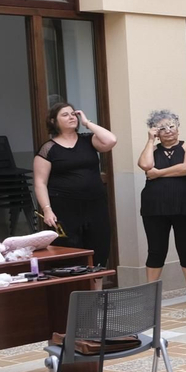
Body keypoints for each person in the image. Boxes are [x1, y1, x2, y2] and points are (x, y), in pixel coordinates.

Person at [33, 100, 116, 267]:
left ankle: (95, 292)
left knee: (99, 249)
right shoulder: (48, 149)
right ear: (53, 121)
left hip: (95, 206)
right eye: (65, 115)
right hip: (64, 208)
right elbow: (40, 183)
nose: (71, 117)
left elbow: (111, 140)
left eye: (73, 114)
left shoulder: (88, 141)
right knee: (70, 252)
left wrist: (87, 123)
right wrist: (47, 210)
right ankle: (73, 292)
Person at [138, 109, 186, 304]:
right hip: (155, 207)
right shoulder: (153, 149)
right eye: (161, 128)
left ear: (178, 128)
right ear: (155, 131)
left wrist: (158, 174)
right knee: (156, 249)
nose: (167, 131)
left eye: (171, 126)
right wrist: (150, 141)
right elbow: (145, 165)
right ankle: (150, 294)